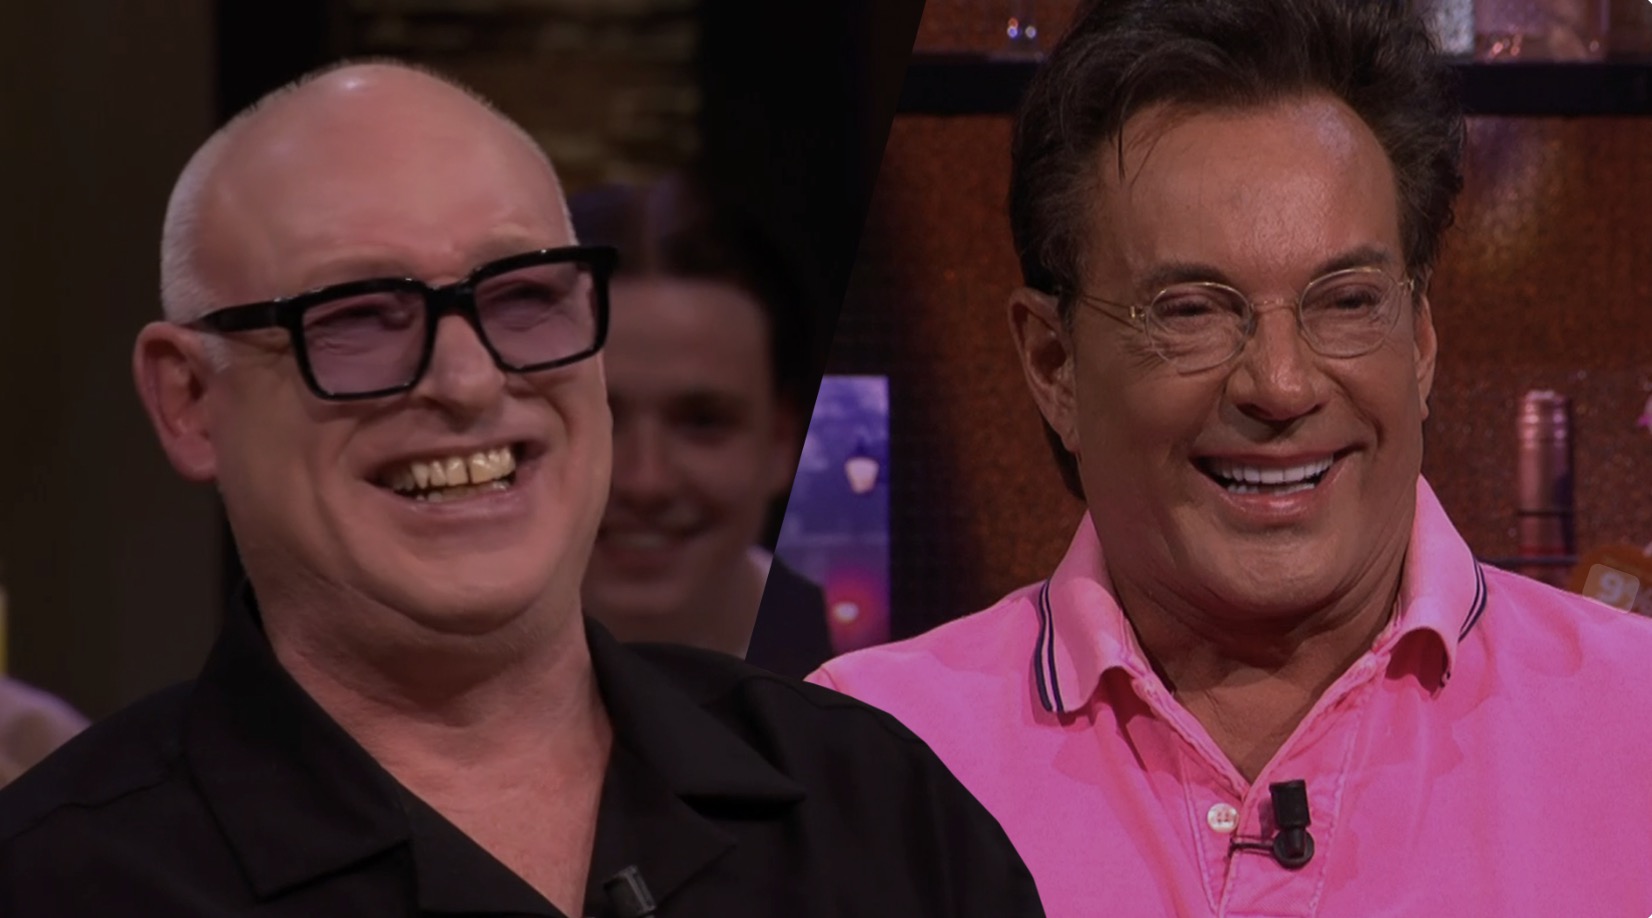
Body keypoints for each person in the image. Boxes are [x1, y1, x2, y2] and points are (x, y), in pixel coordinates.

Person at [0, 61, 1045, 917]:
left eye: (523, 296)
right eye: (358, 316)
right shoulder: (63, 879)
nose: (467, 383)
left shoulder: (873, 806)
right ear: (189, 399)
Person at [809, 0, 1652, 915]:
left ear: (1420, 343)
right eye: (1192, 311)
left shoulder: (1635, 723)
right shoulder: (861, 764)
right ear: (1053, 364)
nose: (1281, 386)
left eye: (1347, 301)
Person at [570, 175, 835, 678]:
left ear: (782, 441)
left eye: (703, 422)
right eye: (596, 414)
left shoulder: (881, 684)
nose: (646, 481)